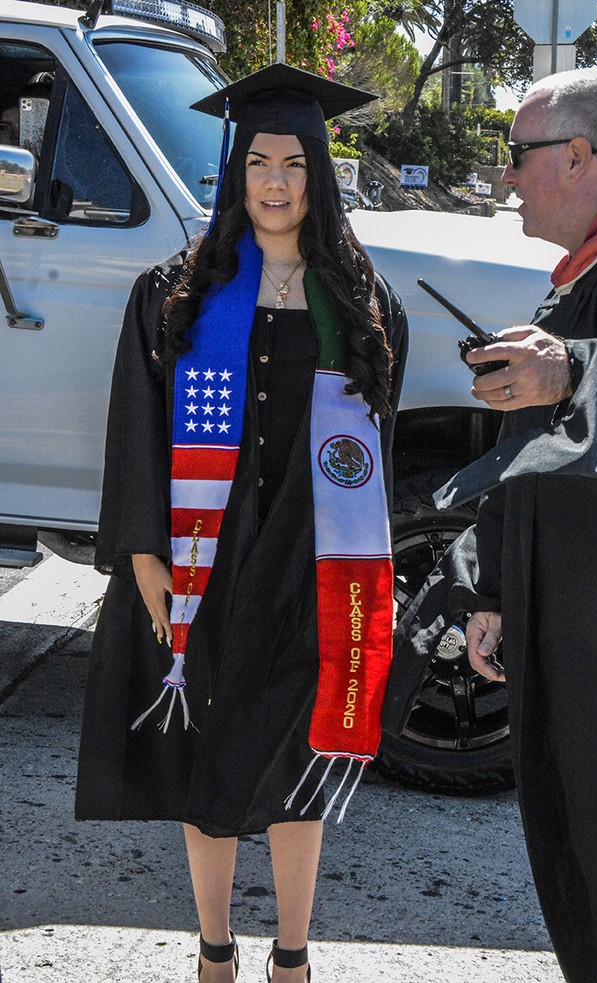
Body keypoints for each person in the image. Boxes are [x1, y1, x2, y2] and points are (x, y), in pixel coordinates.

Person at [75, 63, 407, 983]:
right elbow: (136, 429)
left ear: (319, 176)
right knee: (205, 754)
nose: (273, 182)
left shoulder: (362, 303)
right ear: (235, 173)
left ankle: (293, 953)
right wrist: (146, 556)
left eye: (294, 163)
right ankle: (214, 948)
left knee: (301, 755)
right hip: (202, 561)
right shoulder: (178, 291)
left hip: (310, 570)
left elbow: (373, 455)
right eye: (257, 161)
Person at [427, 69, 597, 982]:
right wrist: (491, 587)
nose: (505, 179)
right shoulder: (588, 271)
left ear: (577, 155)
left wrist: (574, 373)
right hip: (590, 649)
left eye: (517, 156)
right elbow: (538, 458)